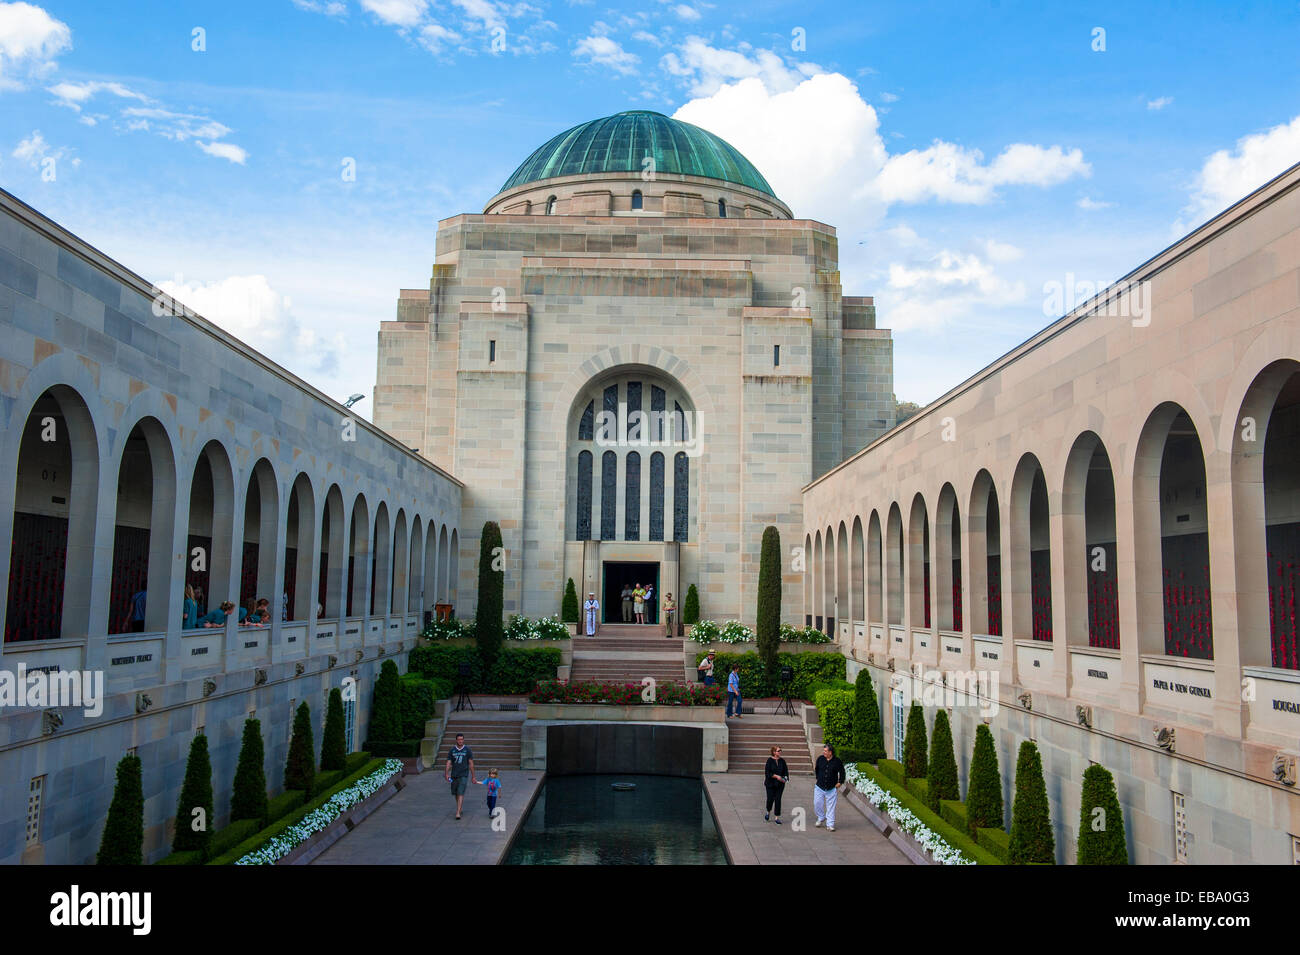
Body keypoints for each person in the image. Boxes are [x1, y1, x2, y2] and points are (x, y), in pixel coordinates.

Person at [814, 743, 846, 832]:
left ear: (830, 752)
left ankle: (830, 824)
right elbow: (817, 769)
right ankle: (821, 817)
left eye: (825, 751)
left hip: (831, 788)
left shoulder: (837, 761)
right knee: (817, 804)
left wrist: (840, 782)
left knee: (831, 807)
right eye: (823, 750)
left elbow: (842, 772)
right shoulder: (820, 759)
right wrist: (818, 778)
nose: (823, 752)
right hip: (819, 787)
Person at [444, 733, 475, 820]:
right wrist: (446, 773)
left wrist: (473, 776)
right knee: (456, 793)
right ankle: (459, 807)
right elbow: (449, 762)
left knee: (461, 792)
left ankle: (458, 812)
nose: (460, 741)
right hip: (454, 774)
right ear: (456, 740)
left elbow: (471, 763)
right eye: (459, 739)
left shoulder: (467, 750)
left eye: (462, 739)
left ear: (463, 740)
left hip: (464, 774)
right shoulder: (452, 750)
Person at [765, 745, 790, 824]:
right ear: (774, 752)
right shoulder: (769, 761)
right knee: (770, 799)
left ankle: (777, 817)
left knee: (778, 799)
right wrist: (776, 776)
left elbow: (786, 771)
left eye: (780, 750)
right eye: (778, 751)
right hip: (770, 784)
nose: (780, 752)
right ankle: (768, 812)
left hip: (780, 784)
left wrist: (785, 778)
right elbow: (767, 773)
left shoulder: (782, 761)